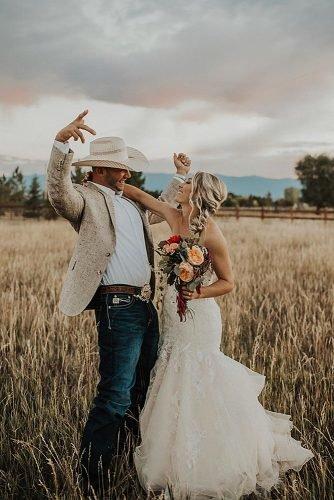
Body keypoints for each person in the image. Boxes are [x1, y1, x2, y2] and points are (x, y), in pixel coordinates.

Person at [122, 174, 314, 499]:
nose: (180, 187)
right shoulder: (175, 216)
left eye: (186, 184)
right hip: (172, 308)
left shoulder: (211, 232)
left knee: (195, 372)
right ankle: (171, 449)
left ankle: (207, 456)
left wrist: (198, 292)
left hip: (199, 314)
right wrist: (110, 183)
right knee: (171, 368)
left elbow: (228, 282)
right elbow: (143, 197)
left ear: (196, 194)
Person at [46, 110, 191, 492]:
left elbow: (162, 210)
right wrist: (61, 144)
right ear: (100, 170)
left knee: (143, 389)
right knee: (114, 394)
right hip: (117, 308)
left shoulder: (131, 203)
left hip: (146, 307)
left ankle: (128, 462)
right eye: (120, 168)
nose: (126, 174)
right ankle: (91, 479)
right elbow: (57, 194)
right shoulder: (85, 199)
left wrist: (179, 178)